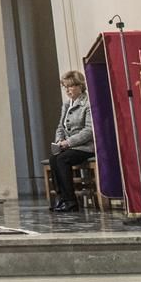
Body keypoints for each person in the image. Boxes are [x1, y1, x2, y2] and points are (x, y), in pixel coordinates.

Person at [50, 69, 94, 212]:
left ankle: (71, 201)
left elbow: (89, 131)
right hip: (69, 146)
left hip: (85, 147)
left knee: (62, 159)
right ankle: (62, 198)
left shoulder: (88, 104)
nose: (67, 90)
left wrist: (68, 143)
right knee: (54, 158)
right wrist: (59, 140)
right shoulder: (66, 105)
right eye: (65, 87)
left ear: (80, 86)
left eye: (70, 86)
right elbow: (60, 126)